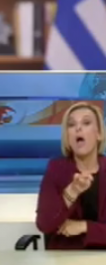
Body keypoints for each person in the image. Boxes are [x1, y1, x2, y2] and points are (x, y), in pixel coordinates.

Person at [36, 101, 106, 249]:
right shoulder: (56, 169)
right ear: (67, 137)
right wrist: (72, 192)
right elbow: (44, 224)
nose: (78, 128)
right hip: (66, 255)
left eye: (86, 123)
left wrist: (85, 226)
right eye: (71, 125)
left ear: (99, 134)